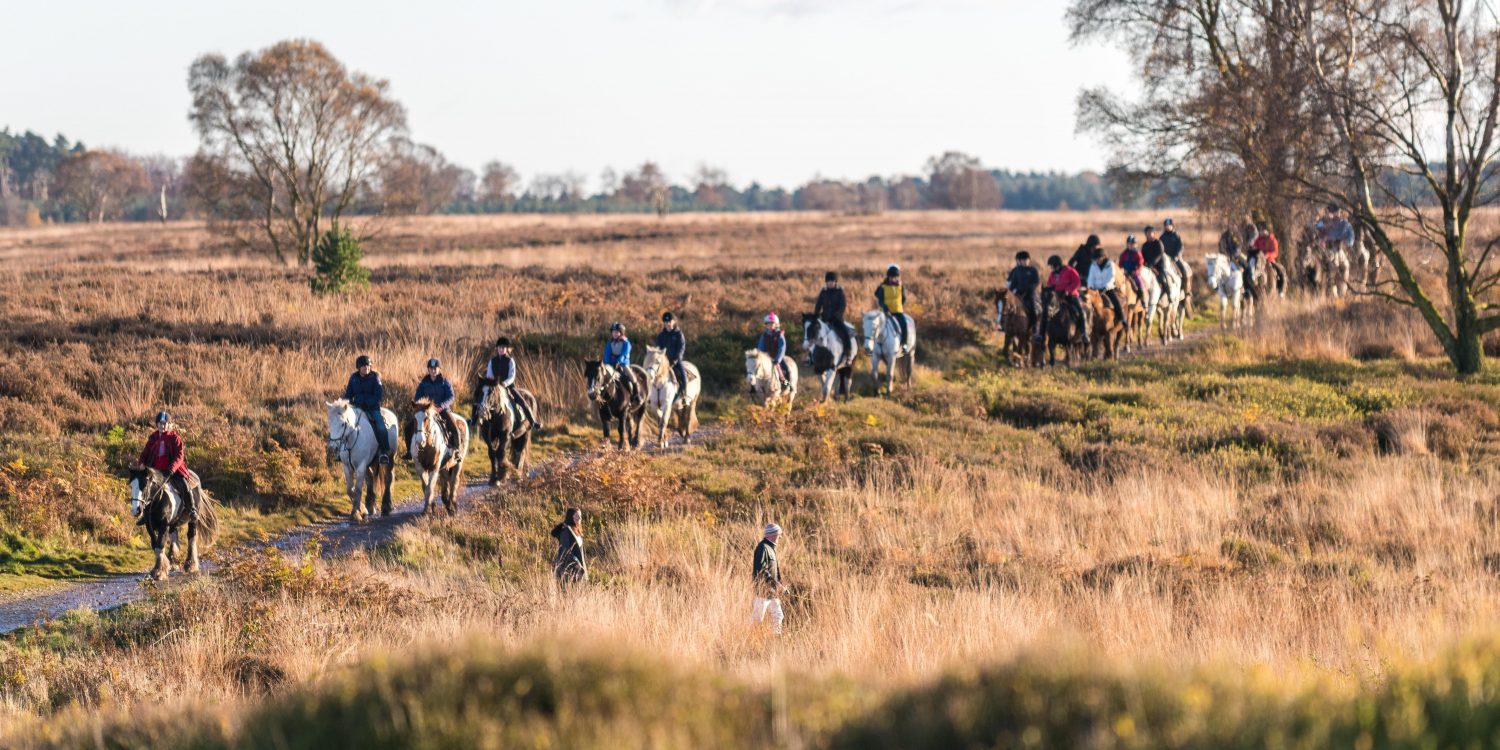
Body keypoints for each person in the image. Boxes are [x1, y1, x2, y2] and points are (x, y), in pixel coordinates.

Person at [137, 410, 198, 522]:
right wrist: (141, 463)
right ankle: (145, 514)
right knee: (144, 487)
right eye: (160, 423)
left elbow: (180, 456)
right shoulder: (153, 438)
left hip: (171, 470)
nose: (162, 426)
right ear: (157, 424)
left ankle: (192, 509)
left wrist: (172, 468)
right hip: (155, 471)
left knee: (184, 485)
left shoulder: (175, 438)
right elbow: (145, 453)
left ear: (169, 425)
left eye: (165, 423)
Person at [476, 337, 542, 430]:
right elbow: (489, 375)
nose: (501, 349)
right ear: (497, 348)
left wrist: (504, 384)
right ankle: (473, 419)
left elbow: (512, 376)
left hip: (509, 387)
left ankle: (533, 421)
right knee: (481, 399)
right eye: (499, 348)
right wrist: (491, 383)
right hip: (495, 387)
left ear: (506, 349)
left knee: (522, 402)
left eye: (503, 348)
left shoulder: (510, 361)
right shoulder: (492, 361)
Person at [343, 354, 391, 464]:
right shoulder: (353, 378)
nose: (367, 368)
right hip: (356, 408)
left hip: (372, 408)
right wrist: (345, 404)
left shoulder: (375, 377)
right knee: (343, 424)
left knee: (381, 427)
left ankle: (384, 452)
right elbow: (348, 394)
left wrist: (367, 403)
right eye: (364, 366)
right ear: (359, 367)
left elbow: (378, 396)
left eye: (368, 366)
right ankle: (342, 452)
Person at [1038, 254, 1088, 342]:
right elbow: (1050, 284)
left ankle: (1084, 333)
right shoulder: (1052, 275)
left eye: (1052, 266)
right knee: (1045, 312)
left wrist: (1068, 290)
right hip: (1057, 297)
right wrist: (1047, 290)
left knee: (1080, 311)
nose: (1051, 268)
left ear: (1057, 265)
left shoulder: (1070, 270)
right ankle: (1041, 335)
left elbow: (1077, 282)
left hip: (1071, 295)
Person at [751, 523, 787, 634]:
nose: (780, 537)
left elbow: (774, 571)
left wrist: (780, 585)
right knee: (757, 620)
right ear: (772, 534)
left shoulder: (771, 548)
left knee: (778, 615)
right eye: (779, 534)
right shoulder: (762, 548)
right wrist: (777, 584)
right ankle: (748, 638)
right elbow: (761, 570)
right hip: (762, 591)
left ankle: (775, 638)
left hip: (772, 592)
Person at [414, 357, 459, 445]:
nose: (433, 371)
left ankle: (457, 449)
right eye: (431, 368)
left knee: (454, 428)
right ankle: (409, 451)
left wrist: (442, 406)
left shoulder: (445, 382)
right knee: (408, 427)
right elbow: (417, 398)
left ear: (439, 369)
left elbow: (451, 397)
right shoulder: (423, 383)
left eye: (435, 368)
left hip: (442, 410)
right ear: (428, 369)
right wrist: (421, 405)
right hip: (426, 411)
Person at [813, 271, 851, 365]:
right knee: (814, 332)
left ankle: (848, 354)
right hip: (825, 319)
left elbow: (842, 306)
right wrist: (816, 315)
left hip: (836, 319)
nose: (830, 283)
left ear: (835, 282)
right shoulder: (823, 292)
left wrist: (836, 315)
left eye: (832, 281)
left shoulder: (839, 292)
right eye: (828, 281)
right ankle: (811, 355)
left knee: (845, 333)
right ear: (826, 282)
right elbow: (818, 305)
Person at [1088, 246, 1129, 334]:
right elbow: (1091, 278)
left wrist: (1105, 287)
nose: (1097, 260)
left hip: (1108, 288)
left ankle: (1122, 319)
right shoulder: (1093, 265)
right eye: (1096, 259)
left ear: (1103, 257)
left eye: (1098, 258)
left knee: (1116, 301)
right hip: (1095, 290)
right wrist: (1091, 287)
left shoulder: (1110, 264)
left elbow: (1111, 277)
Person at [873, 264, 909, 353]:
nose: (894, 279)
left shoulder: (901, 286)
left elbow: (904, 298)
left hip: (897, 311)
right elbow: (879, 298)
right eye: (892, 277)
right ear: (888, 277)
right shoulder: (883, 287)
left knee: (904, 325)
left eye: (895, 277)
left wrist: (899, 306)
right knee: (874, 325)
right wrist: (884, 307)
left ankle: (904, 344)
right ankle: (873, 345)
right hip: (885, 312)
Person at [656, 312, 688, 411]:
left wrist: (676, 359)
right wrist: (662, 360)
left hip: (676, 361)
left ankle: (684, 396)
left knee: (684, 376)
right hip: (664, 362)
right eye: (665, 322)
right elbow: (659, 349)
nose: (667, 323)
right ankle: (651, 398)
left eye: (669, 321)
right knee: (652, 373)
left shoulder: (679, 334)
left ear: (673, 321)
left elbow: (681, 348)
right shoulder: (661, 336)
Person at [1005, 251, 1041, 338]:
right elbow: (1013, 283)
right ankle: (1006, 327)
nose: (1025, 261)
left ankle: (1035, 329)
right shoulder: (1016, 271)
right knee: (1009, 309)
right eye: (1023, 260)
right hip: (1018, 295)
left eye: (1026, 260)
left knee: (1033, 310)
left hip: (1030, 295)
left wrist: (1029, 289)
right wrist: (1011, 292)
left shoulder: (1033, 270)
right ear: (1019, 261)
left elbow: (1036, 282)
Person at [551, 507, 587, 584]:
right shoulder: (566, 531)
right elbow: (565, 550)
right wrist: (576, 562)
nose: (579, 518)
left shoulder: (576, 531)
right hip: (567, 570)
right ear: (571, 517)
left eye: (580, 516)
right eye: (577, 516)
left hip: (576, 568)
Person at [757, 313, 792, 391]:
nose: (770, 326)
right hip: (767, 357)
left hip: (777, 357)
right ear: (766, 325)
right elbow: (760, 347)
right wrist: (761, 357)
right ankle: (755, 387)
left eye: (772, 324)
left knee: (785, 370)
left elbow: (782, 348)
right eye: (768, 324)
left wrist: (777, 359)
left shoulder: (779, 335)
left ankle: (787, 385)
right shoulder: (764, 335)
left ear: (776, 324)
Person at [1252, 222, 1286, 294]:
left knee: (1281, 270)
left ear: (1267, 230)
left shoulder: (1273, 240)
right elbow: (1255, 247)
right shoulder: (1258, 240)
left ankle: (1282, 289)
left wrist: (1267, 255)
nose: (1260, 231)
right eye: (1260, 230)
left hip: (1269, 261)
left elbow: (1275, 252)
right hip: (1259, 261)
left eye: (1262, 230)